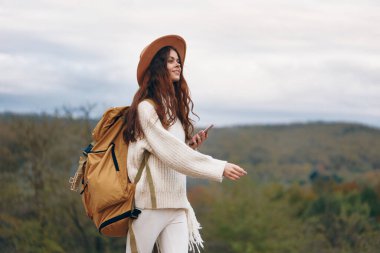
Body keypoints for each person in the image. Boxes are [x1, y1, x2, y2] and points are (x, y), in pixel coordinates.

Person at [123, 35, 247, 253]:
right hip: (149, 205)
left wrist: (189, 147)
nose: (178, 64)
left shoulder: (174, 110)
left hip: (178, 204)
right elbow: (170, 152)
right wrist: (219, 167)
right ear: (158, 68)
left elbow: (171, 153)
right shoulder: (146, 109)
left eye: (178, 60)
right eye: (170, 60)